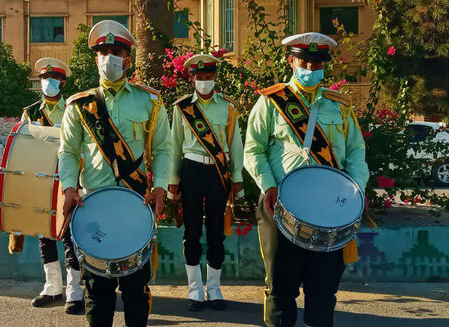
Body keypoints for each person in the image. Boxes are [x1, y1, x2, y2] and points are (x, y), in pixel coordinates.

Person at [243, 32, 369, 327]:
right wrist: (268, 185)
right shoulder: (272, 102)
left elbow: (356, 152)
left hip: (330, 212)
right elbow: (253, 148)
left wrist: (355, 194)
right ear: (291, 61)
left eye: (317, 63)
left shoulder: (340, 105)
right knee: (280, 288)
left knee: (322, 290)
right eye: (305, 61)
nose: (311, 68)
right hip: (280, 205)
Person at [58, 20, 172, 327]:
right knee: (97, 293)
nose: (110, 57)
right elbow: (67, 152)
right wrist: (69, 188)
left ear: (128, 58)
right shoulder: (78, 105)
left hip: (136, 205)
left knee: (136, 290)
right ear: (96, 58)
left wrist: (160, 187)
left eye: (117, 51)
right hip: (92, 205)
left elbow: (163, 149)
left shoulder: (150, 100)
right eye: (104, 51)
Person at [7, 57, 84, 314]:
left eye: (52, 79)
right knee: (44, 236)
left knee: (71, 237)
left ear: (63, 82)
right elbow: (24, 146)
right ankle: (53, 288)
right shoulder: (31, 112)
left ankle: (75, 292)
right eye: (43, 79)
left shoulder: (75, 108)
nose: (47, 83)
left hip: (69, 180)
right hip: (40, 180)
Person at [168, 53, 244, 312]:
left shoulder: (228, 107)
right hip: (190, 170)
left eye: (208, 77)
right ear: (192, 79)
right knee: (191, 233)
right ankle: (195, 291)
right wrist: (173, 182)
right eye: (199, 78)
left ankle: (214, 289)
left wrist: (237, 178)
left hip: (217, 174)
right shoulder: (182, 108)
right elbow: (174, 146)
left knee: (215, 233)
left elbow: (235, 144)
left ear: (215, 78)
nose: (204, 82)